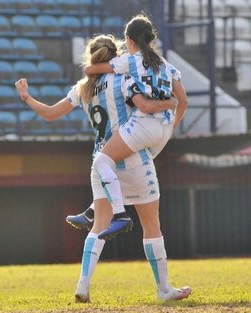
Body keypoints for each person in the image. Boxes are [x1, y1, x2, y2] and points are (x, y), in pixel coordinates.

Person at [15, 34, 188, 303]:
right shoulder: (124, 79)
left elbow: (49, 114)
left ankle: (83, 285)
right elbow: (145, 105)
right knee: (151, 224)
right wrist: (169, 105)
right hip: (131, 157)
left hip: (101, 161)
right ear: (115, 55)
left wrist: (26, 97)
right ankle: (163, 289)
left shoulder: (82, 88)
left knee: (98, 226)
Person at [75, 13, 188, 241]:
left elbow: (90, 71)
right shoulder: (167, 65)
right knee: (121, 165)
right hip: (164, 131)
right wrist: (171, 124)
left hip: (143, 126)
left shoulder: (130, 60)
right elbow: (183, 101)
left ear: (129, 40)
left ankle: (119, 215)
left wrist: (105, 68)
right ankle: (92, 210)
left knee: (103, 162)